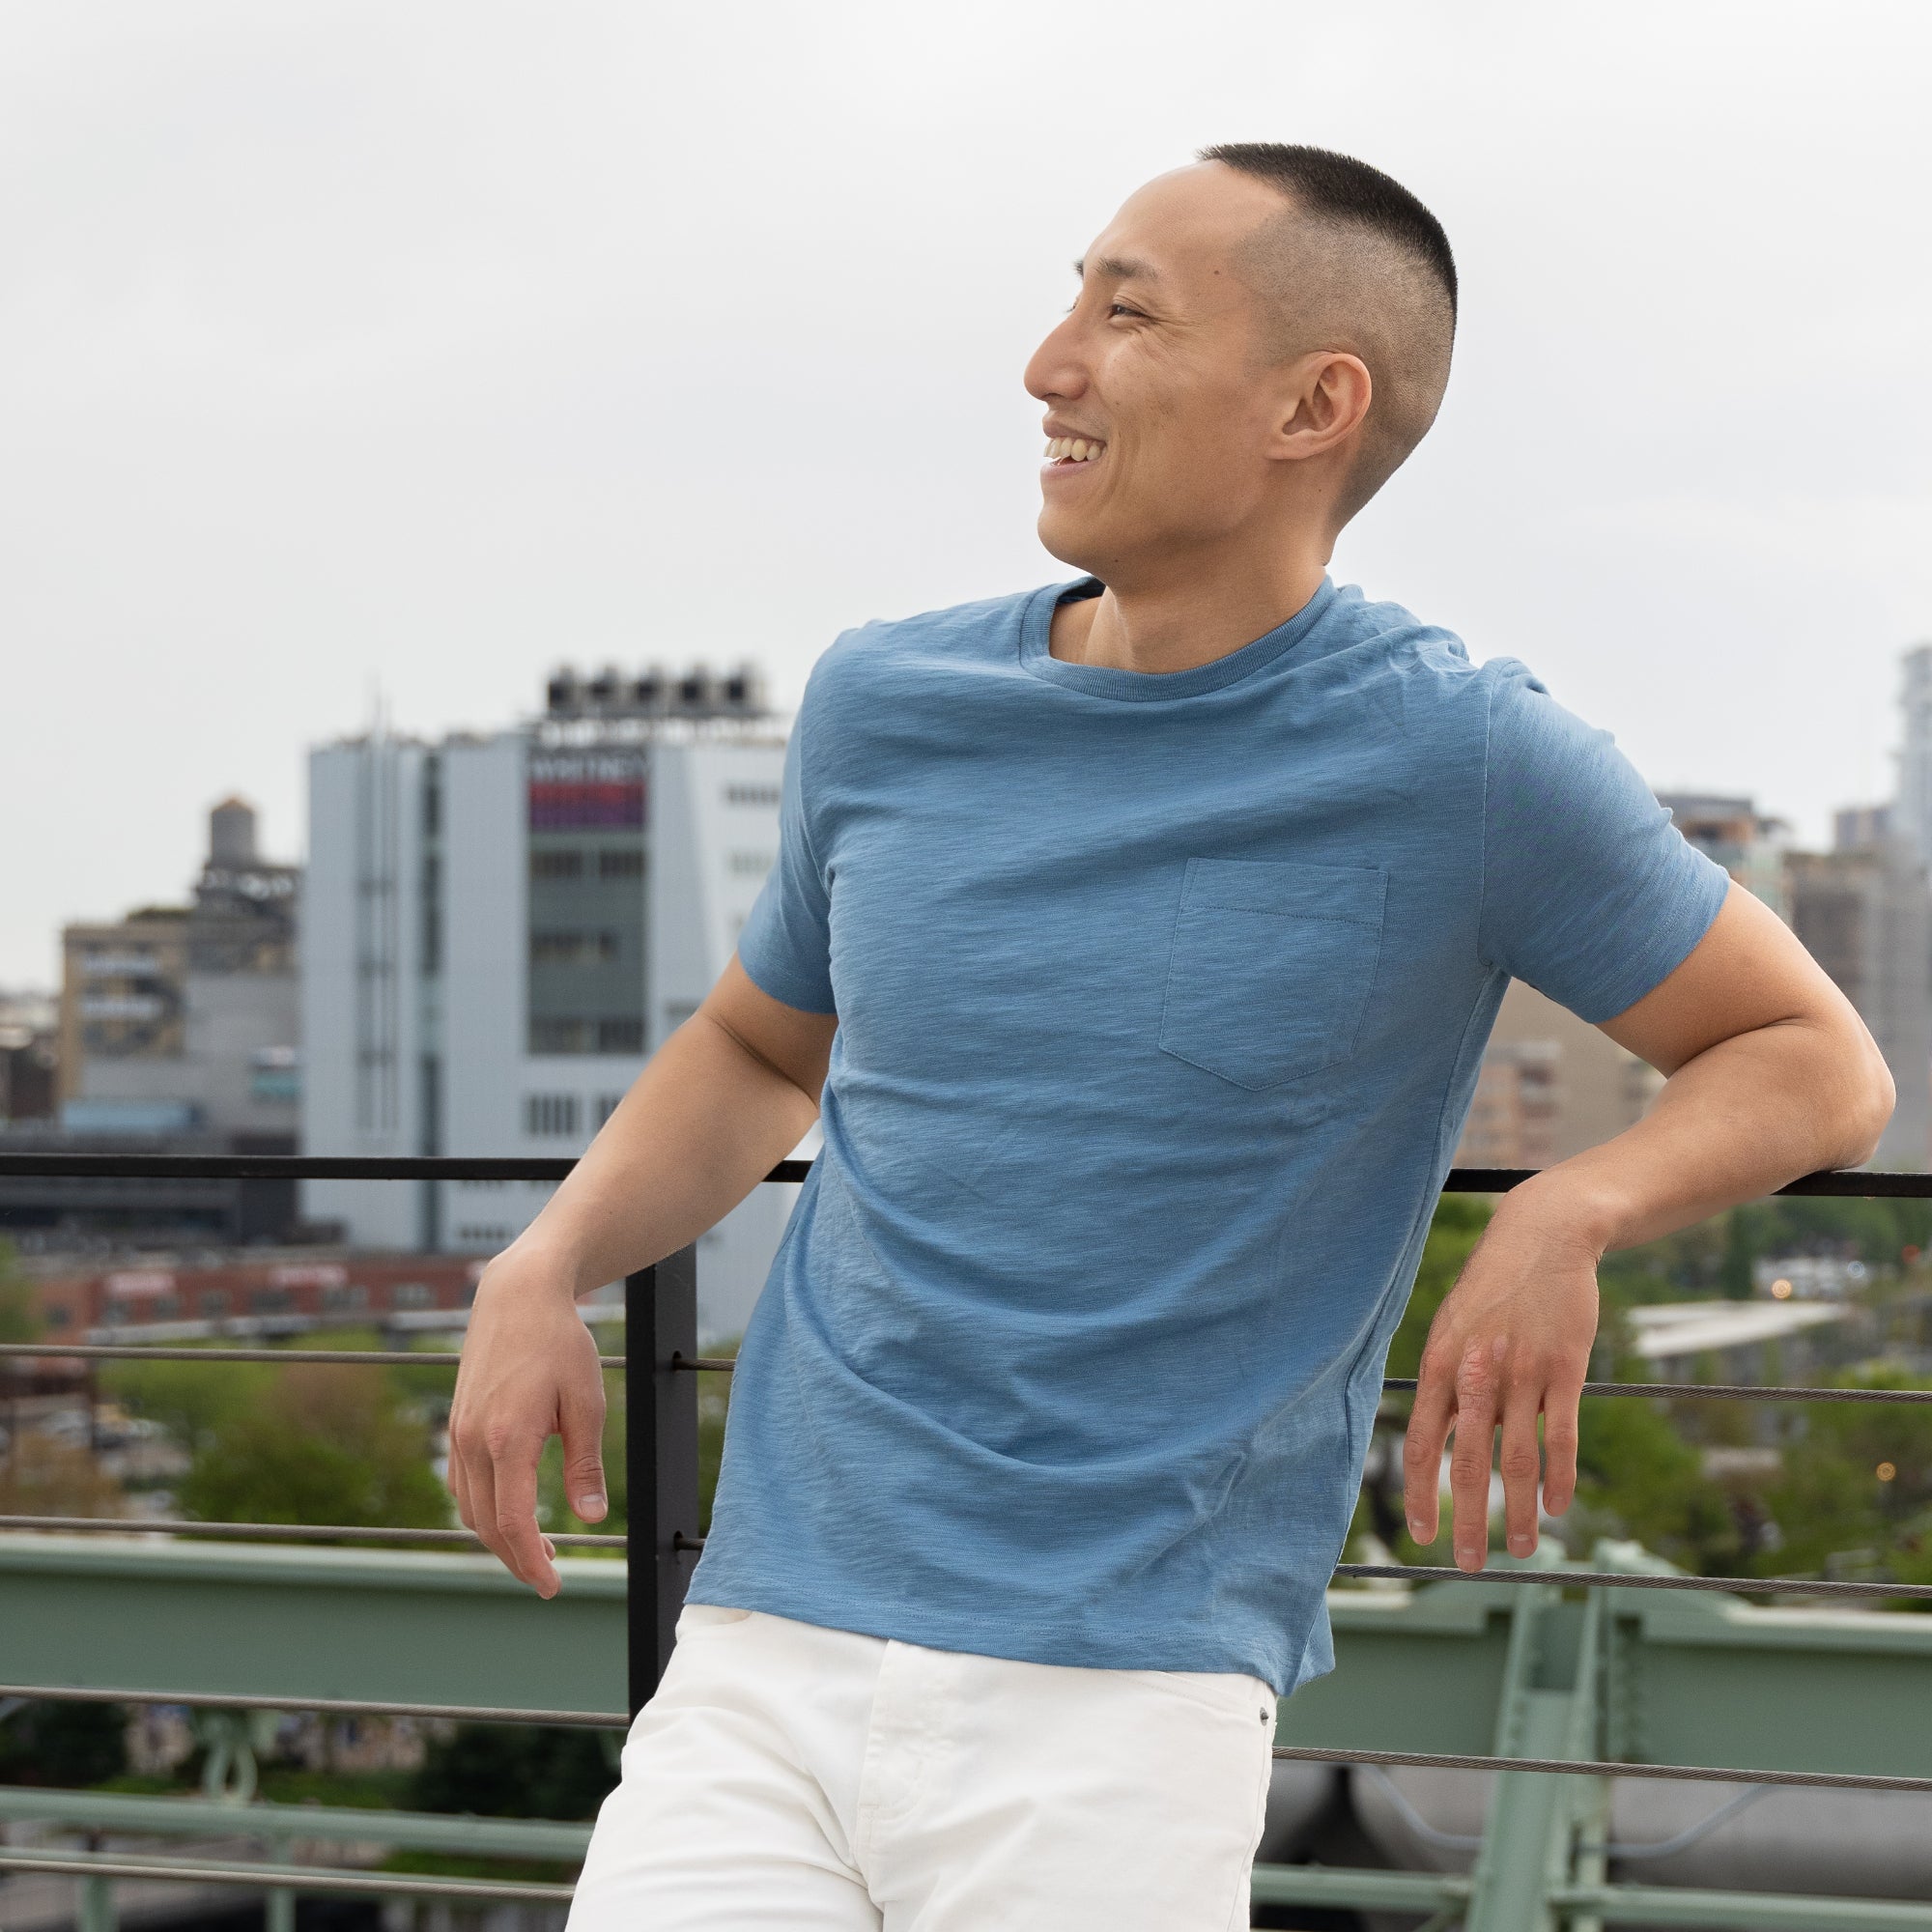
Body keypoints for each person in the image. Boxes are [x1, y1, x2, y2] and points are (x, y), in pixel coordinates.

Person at [446, 144, 1893, 1930]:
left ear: (1314, 406)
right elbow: (759, 1049)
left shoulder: (1465, 759)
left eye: (1127, 315)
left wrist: (1568, 1211)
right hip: (765, 1639)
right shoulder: (886, 702)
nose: (1047, 364)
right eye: (1071, 301)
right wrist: (550, 1261)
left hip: (1125, 1695)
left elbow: (1815, 1058)